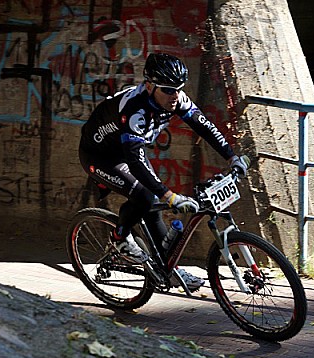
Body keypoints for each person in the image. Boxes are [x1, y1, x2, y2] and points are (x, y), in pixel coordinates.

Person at [79, 53, 248, 291]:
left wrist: (232, 157)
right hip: (100, 156)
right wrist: (169, 196)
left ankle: (169, 270)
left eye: (179, 89)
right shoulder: (135, 109)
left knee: (152, 207)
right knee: (145, 195)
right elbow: (135, 163)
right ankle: (119, 239)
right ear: (150, 86)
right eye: (168, 90)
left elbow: (205, 126)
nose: (175, 95)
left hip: (127, 152)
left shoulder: (175, 99)